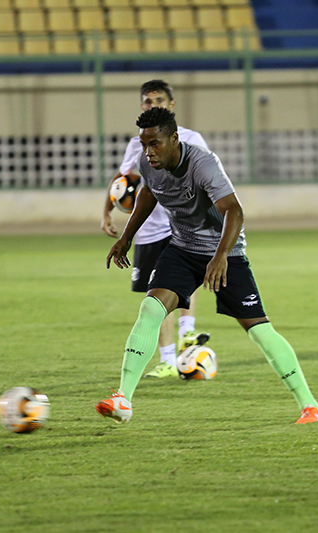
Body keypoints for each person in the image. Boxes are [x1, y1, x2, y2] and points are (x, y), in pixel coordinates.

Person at [96, 107, 318, 425]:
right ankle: (123, 398)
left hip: (226, 254)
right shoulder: (145, 164)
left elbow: (234, 210)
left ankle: (311, 405)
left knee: (259, 330)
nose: (148, 152)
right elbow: (148, 196)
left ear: (174, 139)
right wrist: (126, 238)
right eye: (144, 143)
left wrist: (220, 257)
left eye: (155, 144)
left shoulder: (203, 164)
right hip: (180, 250)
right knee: (151, 310)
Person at [101, 79, 209, 379]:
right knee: (154, 295)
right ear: (141, 106)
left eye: (158, 100)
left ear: (171, 105)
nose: (153, 105)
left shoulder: (190, 138)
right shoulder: (137, 143)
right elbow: (123, 180)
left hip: (183, 224)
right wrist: (106, 213)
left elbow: (208, 175)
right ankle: (169, 360)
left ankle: (188, 333)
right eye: (147, 101)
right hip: (149, 229)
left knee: (185, 280)